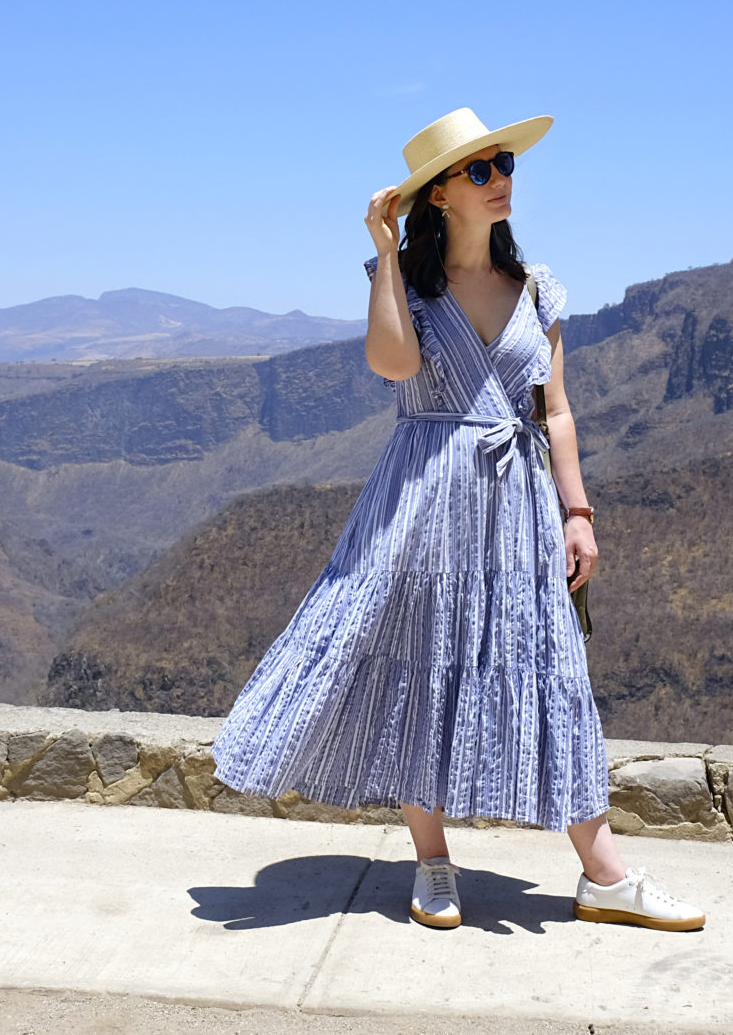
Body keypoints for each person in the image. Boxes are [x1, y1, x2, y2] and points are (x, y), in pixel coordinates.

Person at [210, 108, 705, 932]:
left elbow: (557, 411)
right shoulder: (407, 284)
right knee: (419, 666)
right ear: (438, 194)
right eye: (480, 169)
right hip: (422, 502)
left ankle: (605, 874)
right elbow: (393, 364)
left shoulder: (538, 287)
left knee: (548, 670)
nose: (501, 177)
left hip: (516, 508)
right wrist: (382, 248)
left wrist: (576, 511)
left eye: (504, 162)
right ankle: (431, 860)